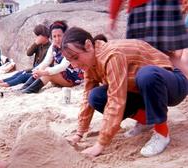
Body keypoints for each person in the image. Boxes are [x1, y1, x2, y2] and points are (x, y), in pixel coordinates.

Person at [61, 27, 188, 157]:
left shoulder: (111, 55)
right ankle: (146, 121)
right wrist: (79, 133)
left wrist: (100, 144)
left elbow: (116, 99)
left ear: (88, 45)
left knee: (147, 75)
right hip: (143, 92)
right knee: (95, 97)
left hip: (174, 85)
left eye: (76, 57)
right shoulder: (89, 65)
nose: (74, 65)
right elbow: (87, 97)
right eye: (70, 61)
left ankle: (162, 133)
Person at [21, 20, 84, 94]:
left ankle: (28, 91)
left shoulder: (69, 47)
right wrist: (37, 70)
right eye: (54, 36)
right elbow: (46, 62)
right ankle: (24, 88)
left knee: (47, 74)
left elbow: (62, 66)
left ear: (64, 34)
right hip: (63, 75)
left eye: (59, 35)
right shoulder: (53, 46)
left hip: (73, 78)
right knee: (43, 70)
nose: (57, 39)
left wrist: (44, 72)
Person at [108, 0, 188, 53]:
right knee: (170, 54)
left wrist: (113, 14)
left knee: (141, 54)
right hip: (167, 5)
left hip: (143, 7)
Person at [0, 24, 51, 89]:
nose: (36, 38)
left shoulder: (49, 48)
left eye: (38, 35)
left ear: (44, 36)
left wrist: (30, 70)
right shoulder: (39, 45)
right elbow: (29, 53)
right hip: (35, 69)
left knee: (22, 76)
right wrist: (35, 44)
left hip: (41, 73)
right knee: (19, 73)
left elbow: (43, 66)